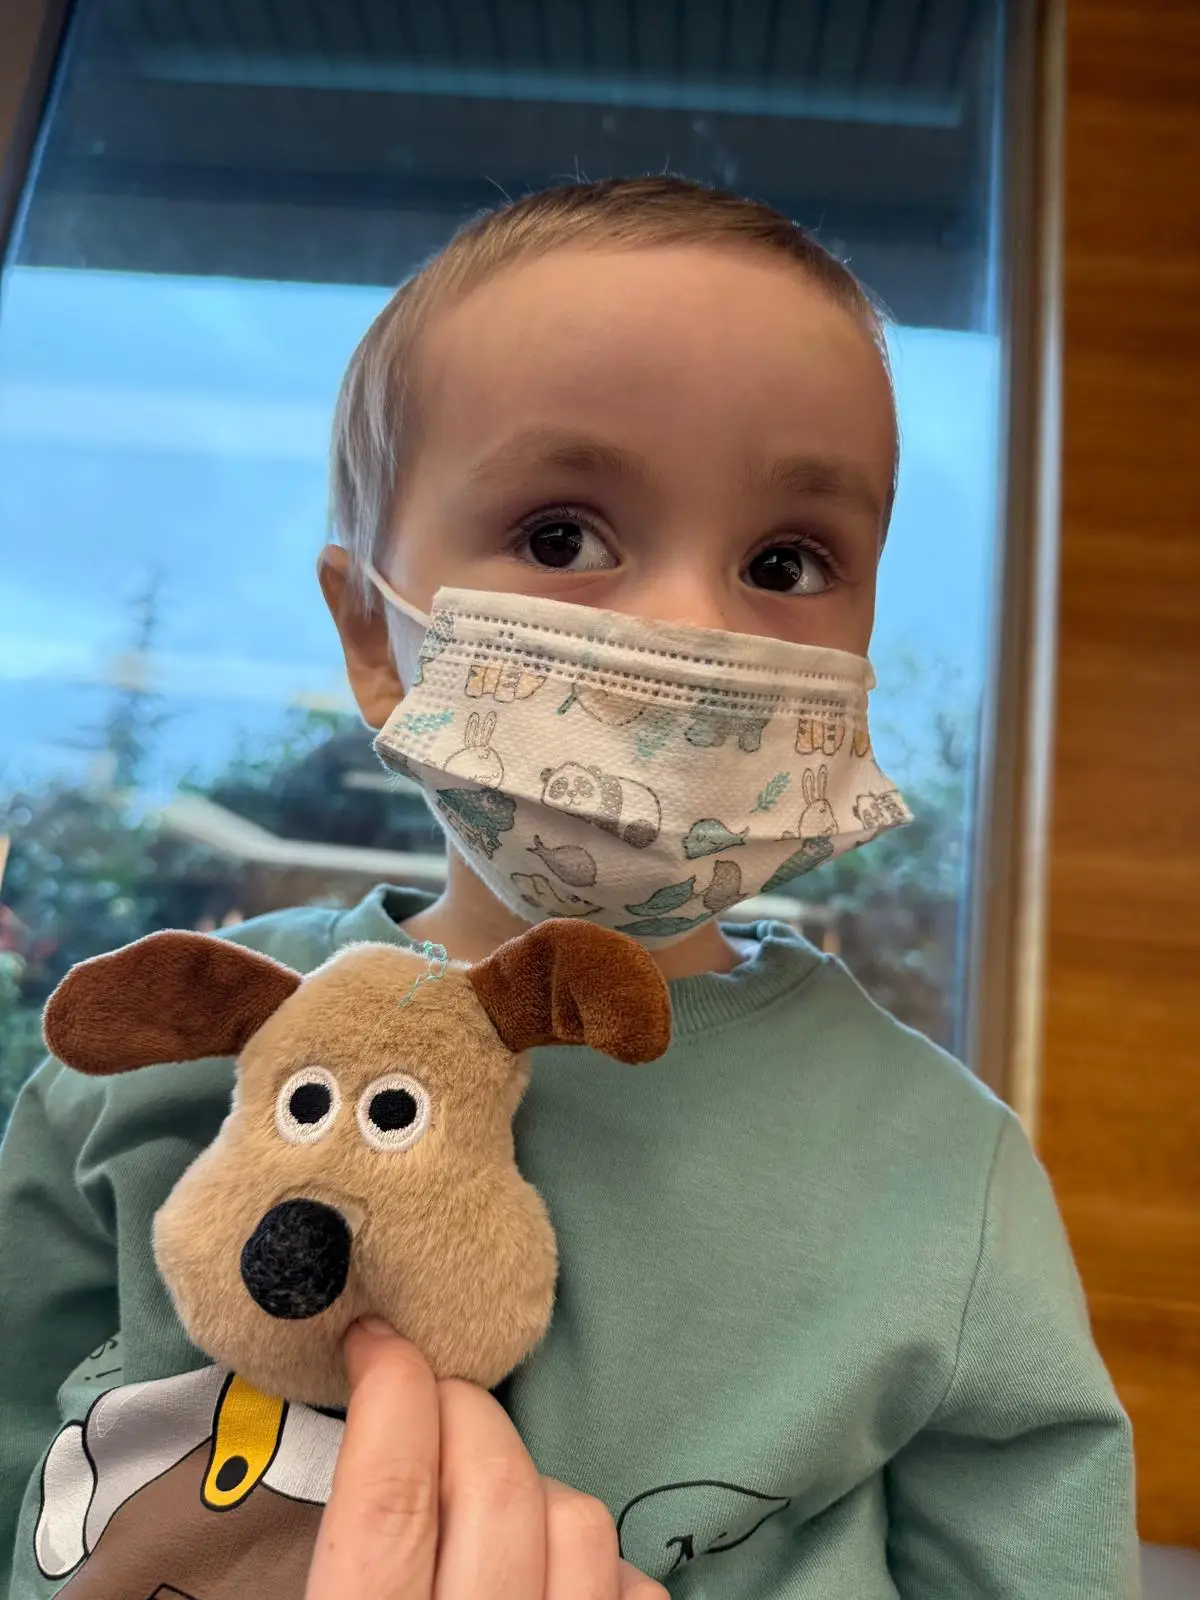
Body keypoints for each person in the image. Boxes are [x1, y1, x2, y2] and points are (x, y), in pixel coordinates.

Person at [0, 177, 1137, 1600]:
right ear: (374, 636)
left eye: (787, 563)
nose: (692, 629)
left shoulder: (939, 1173)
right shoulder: (149, 1067)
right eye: (562, 537)